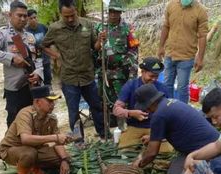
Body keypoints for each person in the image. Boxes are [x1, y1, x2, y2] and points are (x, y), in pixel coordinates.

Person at [132, 84, 221, 174]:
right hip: (197, 149)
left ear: (148, 105)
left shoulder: (159, 116)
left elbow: (152, 153)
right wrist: (153, 137)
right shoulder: (171, 102)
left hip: (209, 152)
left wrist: (139, 164)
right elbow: (178, 127)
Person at [42, 0, 106, 139]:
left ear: (76, 11)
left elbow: (94, 47)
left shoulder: (87, 24)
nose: (70, 19)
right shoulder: (54, 28)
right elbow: (44, 45)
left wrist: (100, 41)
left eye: (72, 15)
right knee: (73, 111)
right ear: (61, 14)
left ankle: (103, 134)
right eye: (66, 16)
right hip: (69, 77)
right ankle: (79, 140)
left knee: (96, 106)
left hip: (87, 75)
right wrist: (57, 55)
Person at [0, 86, 72, 174]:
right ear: (37, 102)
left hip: (35, 149)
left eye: (53, 102)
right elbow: (25, 139)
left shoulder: (51, 118)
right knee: (29, 154)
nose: (53, 105)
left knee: (66, 158)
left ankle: (33, 167)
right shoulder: (25, 114)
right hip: (12, 149)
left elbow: (58, 142)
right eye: (49, 101)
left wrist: (64, 160)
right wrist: (55, 137)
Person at [0, 0, 44, 128]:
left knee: (34, 119)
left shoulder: (30, 36)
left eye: (25, 16)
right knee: (15, 122)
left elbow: (38, 58)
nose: (23, 19)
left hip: (33, 85)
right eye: (19, 15)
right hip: (15, 88)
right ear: (10, 15)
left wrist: (38, 73)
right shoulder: (2, 34)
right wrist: (12, 58)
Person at [94, 0, 139, 127]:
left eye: (116, 12)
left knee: (122, 100)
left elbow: (134, 50)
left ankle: (125, 125)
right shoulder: (100, 28)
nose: (113, 15)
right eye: (111, 12)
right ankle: (112, 126)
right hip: (104, 72)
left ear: (120, 13)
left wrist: (131, 72)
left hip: (120, 73)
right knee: (106, 100)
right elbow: (94, 49)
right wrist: (99, 40)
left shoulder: (127, 29)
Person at [113, 57, 172, 152]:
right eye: (151, 76)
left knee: (165, 154)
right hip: (134, 126)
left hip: (156, 127)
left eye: (156, 76)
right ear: (143, 71)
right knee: (123, 152)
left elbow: (169, 111)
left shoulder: (162, 88)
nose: (154, 79)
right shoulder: (131, 85)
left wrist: (158, 134)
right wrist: (131, 113)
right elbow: (116, 109)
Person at [157, 0, 208, 103]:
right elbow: (166, 26)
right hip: (170, 53)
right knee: (167, 84)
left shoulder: (200, 11)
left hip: (186, 57)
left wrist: (200, 58)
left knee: (182, 88)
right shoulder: (171, 5)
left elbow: (202, 36)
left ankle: (182, 113)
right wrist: (161, 46)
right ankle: (168, 109)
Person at [26, 9, 52, 85]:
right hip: (34, 61)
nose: (33, 20)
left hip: (45, 58)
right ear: (27, 19)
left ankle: (49, 92)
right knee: (36, 81)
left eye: (35, 17)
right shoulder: (26, 31)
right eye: (31, 18)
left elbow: (50, 39)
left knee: (48, 79)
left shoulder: (43, 27)